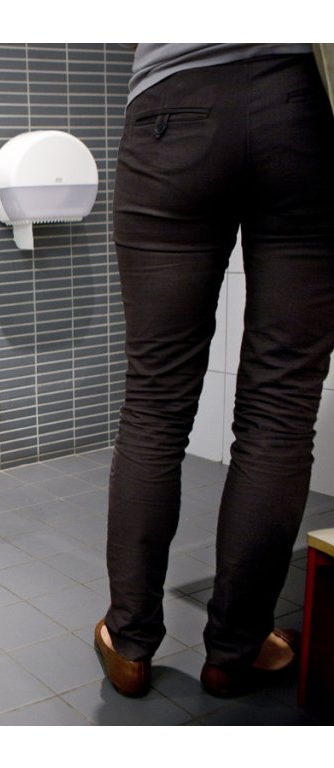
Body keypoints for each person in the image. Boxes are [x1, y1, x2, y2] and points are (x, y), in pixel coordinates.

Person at [95, 45, 334, 698]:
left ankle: (130, 643)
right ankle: (236, 649)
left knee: (154, 405)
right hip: (303, 108)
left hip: (172, 109)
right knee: (281, 411)